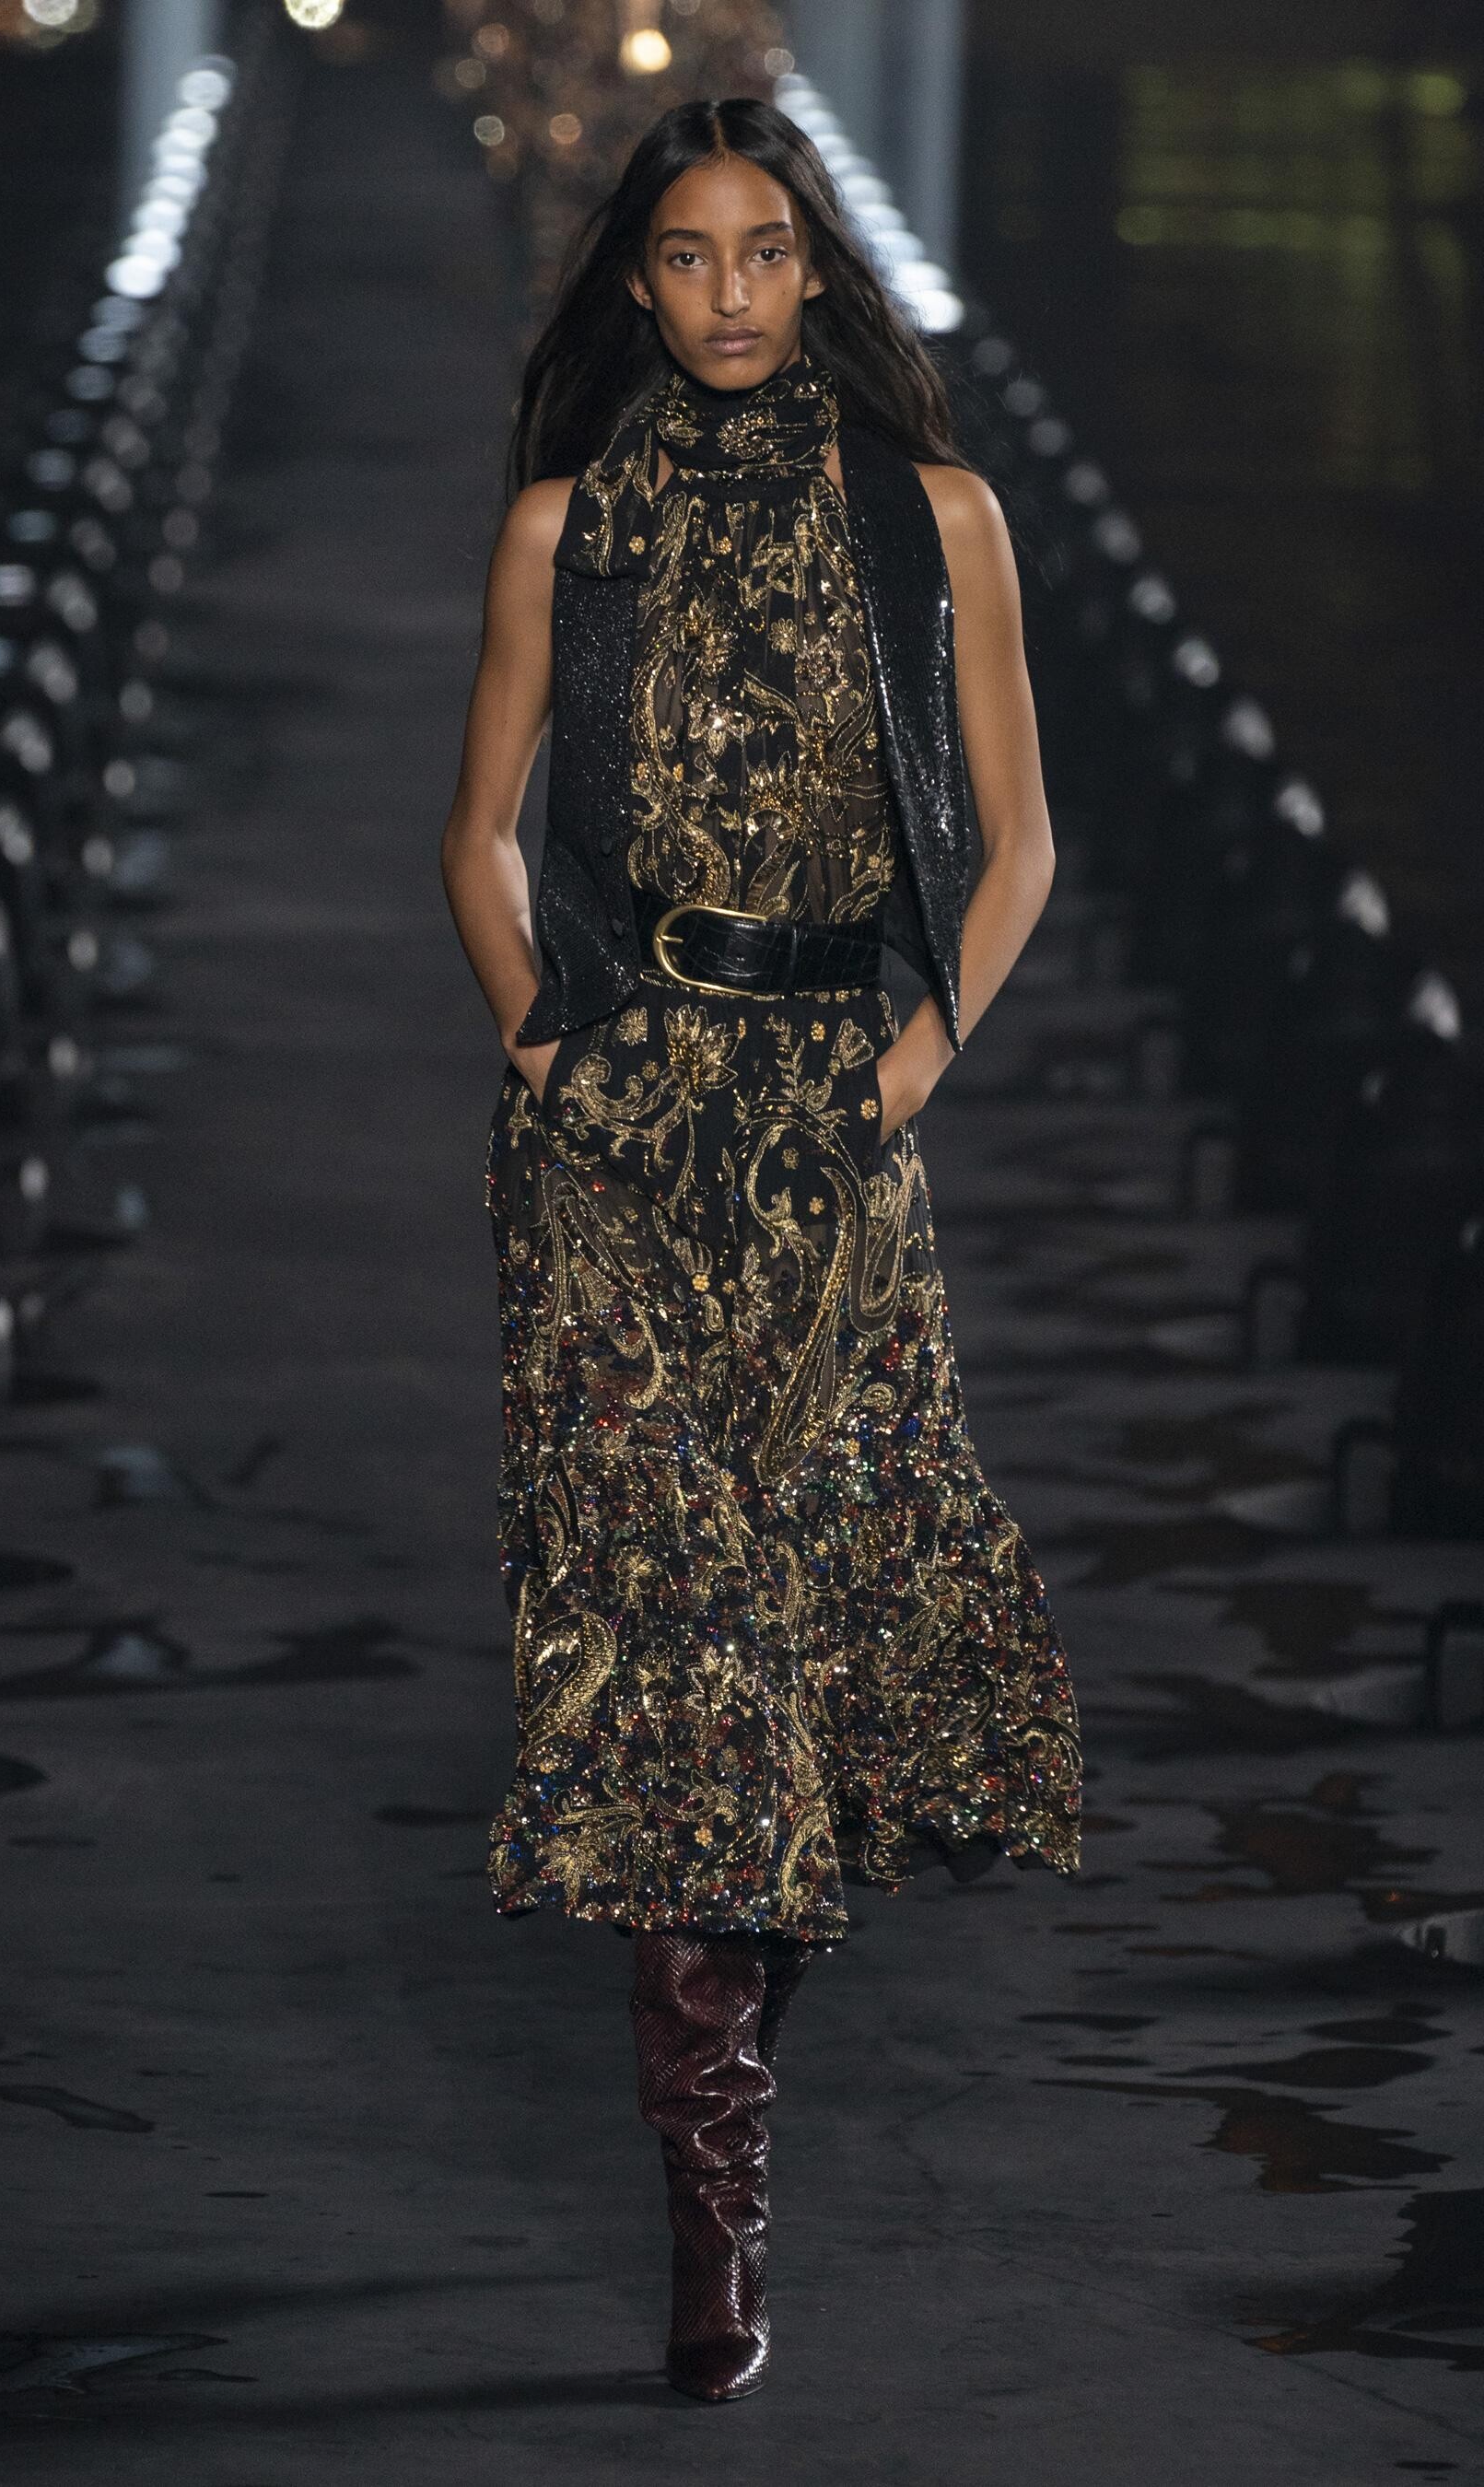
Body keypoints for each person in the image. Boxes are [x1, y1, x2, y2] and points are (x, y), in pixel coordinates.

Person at [440, 95, 1081, 2404]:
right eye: (691, 254)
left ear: (817, 274)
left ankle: (726, 2087)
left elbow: (1017, 844)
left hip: (834, 1130)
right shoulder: (563, 526)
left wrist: (905, 1075)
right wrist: (547, 1053)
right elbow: (480, 831)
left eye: (767, 252)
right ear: (639, 280)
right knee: (682, 1653)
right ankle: (717, 2221)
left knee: (799, 1660)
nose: (729, 291)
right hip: (617, 1143)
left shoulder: (935, 518)